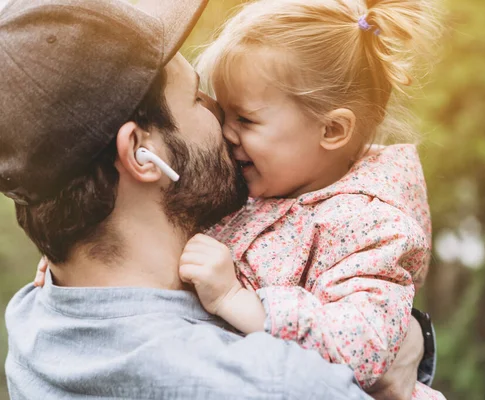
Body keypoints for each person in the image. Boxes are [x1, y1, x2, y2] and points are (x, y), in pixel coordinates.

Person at [1, 0, 429, 399]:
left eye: (245, 117)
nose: (221, 119)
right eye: (196, 97)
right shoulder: (273, 384)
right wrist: (410, 343)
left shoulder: (34, 319)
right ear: (139, 153)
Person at [173, 0, 444, 398]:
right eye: (222, 110)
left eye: (245, 119)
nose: (225, 131)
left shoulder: (372, 226)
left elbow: (363, 347)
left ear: (332, 129)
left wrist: (242, 301)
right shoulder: (256, 184)